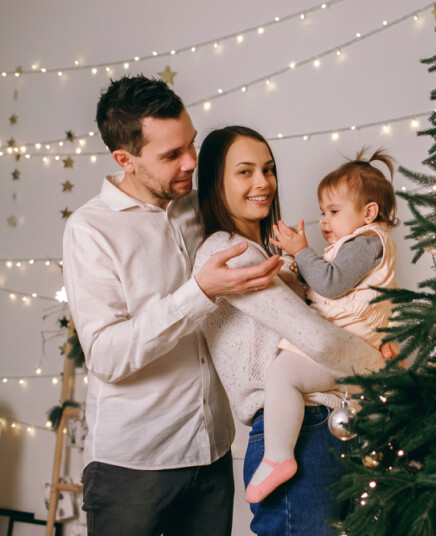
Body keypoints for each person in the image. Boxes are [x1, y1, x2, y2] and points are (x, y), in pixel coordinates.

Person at [62, 76, 283, 536]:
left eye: (192, 144)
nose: (190, 163)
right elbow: (105, 355)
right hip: (133, 468)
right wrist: (198, 293)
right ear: (124, 159)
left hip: (214, 451)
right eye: (170, 155)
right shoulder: (90, 230)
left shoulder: (195, 208)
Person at [193, 126, 393, 535]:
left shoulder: (269, 255)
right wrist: (383, 370)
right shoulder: (226, 252)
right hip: (301, 431)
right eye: (244, 172)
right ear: (216, 181)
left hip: (333, 420)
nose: (263, 182)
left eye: (268, 169)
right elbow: (317, 339)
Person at [244, 148, 399, 503]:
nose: (324, 221)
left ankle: (279, 457)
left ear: (368, 213)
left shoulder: (366, 241)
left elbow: (330, 283)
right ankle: (279, 455)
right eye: (321, 213)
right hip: (346, 348)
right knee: (285, 375)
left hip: (344, 348)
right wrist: (293, 262)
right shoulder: (355, 245)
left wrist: (302, 251)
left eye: (333, 212)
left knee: (282, 376)